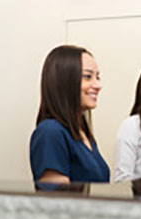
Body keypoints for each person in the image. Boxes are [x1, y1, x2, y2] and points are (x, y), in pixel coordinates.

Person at [30, 45, 110, 184]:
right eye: (87, 77)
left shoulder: (81, 132)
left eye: (97, 77)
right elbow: (59, 201)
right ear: (64, 81)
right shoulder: (50, 132)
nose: (97, 85)